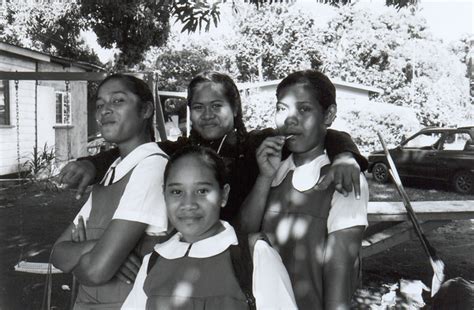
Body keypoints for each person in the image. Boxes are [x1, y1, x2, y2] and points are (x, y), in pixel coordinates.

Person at [58, 71, 367, 226]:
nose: (206, 114)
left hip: (246, 255)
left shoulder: (258, 144)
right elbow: (141, 150)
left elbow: (324, 133)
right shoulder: (180, 152)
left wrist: (345, 156)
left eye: (216, 105)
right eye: (198, 107)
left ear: (235, 108)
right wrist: (92, 164)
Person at [240, 70, 368, 309]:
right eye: (281, 108)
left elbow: (339, 268)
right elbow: (242, 235)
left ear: (328, 115)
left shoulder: (342, 176)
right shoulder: (272, 168)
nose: (290, 119)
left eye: (304, 109)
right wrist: (264, 178)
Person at [121, 146, 297, 310]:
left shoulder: (253, 257)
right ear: (164, 195)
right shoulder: (153, 261)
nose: (188, 204)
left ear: (224, 195)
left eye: (202, 191)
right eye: (176, 192)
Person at [51, 74, 169, 309]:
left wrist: (84, 256)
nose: (105, 110)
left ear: (146, 110)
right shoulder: (114, 169)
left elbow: (95, 272)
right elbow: (57, 253)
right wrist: (98, 248)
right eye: (100, 105)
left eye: (118, 101)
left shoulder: (151, 166)